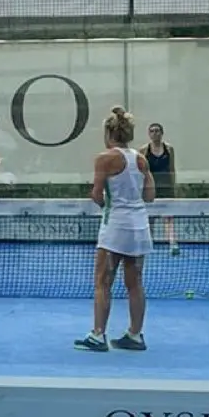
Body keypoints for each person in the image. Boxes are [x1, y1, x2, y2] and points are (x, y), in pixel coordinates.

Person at [75, 106, 154, 353]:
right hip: (139, 226)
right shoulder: (141, 159)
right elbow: (150, 195)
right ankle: (135, 335)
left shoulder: (104, 158)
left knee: (102, 281)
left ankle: (98, 335)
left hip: (115, 227)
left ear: (108, 132)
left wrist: (108, 203)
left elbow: (97, 194)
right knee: (135, 282)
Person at [140, 122, 178, 254]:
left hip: (166, 188)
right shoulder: (144, 150)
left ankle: (173, 244)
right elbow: (142, 171)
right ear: (149, 134)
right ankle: (148, 244)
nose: (155, 133)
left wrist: (173, 187)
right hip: (150, 189)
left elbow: (172, 169)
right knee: (150, 218)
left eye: (157, 131)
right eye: (152, 131)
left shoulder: (169, 149)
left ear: (162, 133)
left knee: (169, 217)